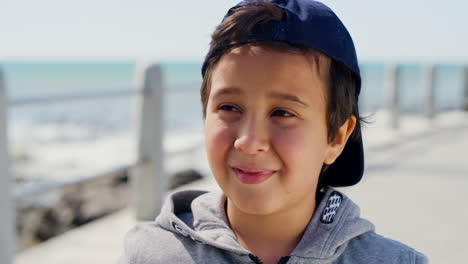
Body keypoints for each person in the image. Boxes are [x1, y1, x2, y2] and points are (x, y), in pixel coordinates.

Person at [119, 0, 428, 263]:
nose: (249, 142)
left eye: (283, 113)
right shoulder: (149, 254)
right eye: (229, 108)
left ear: (336, 137)